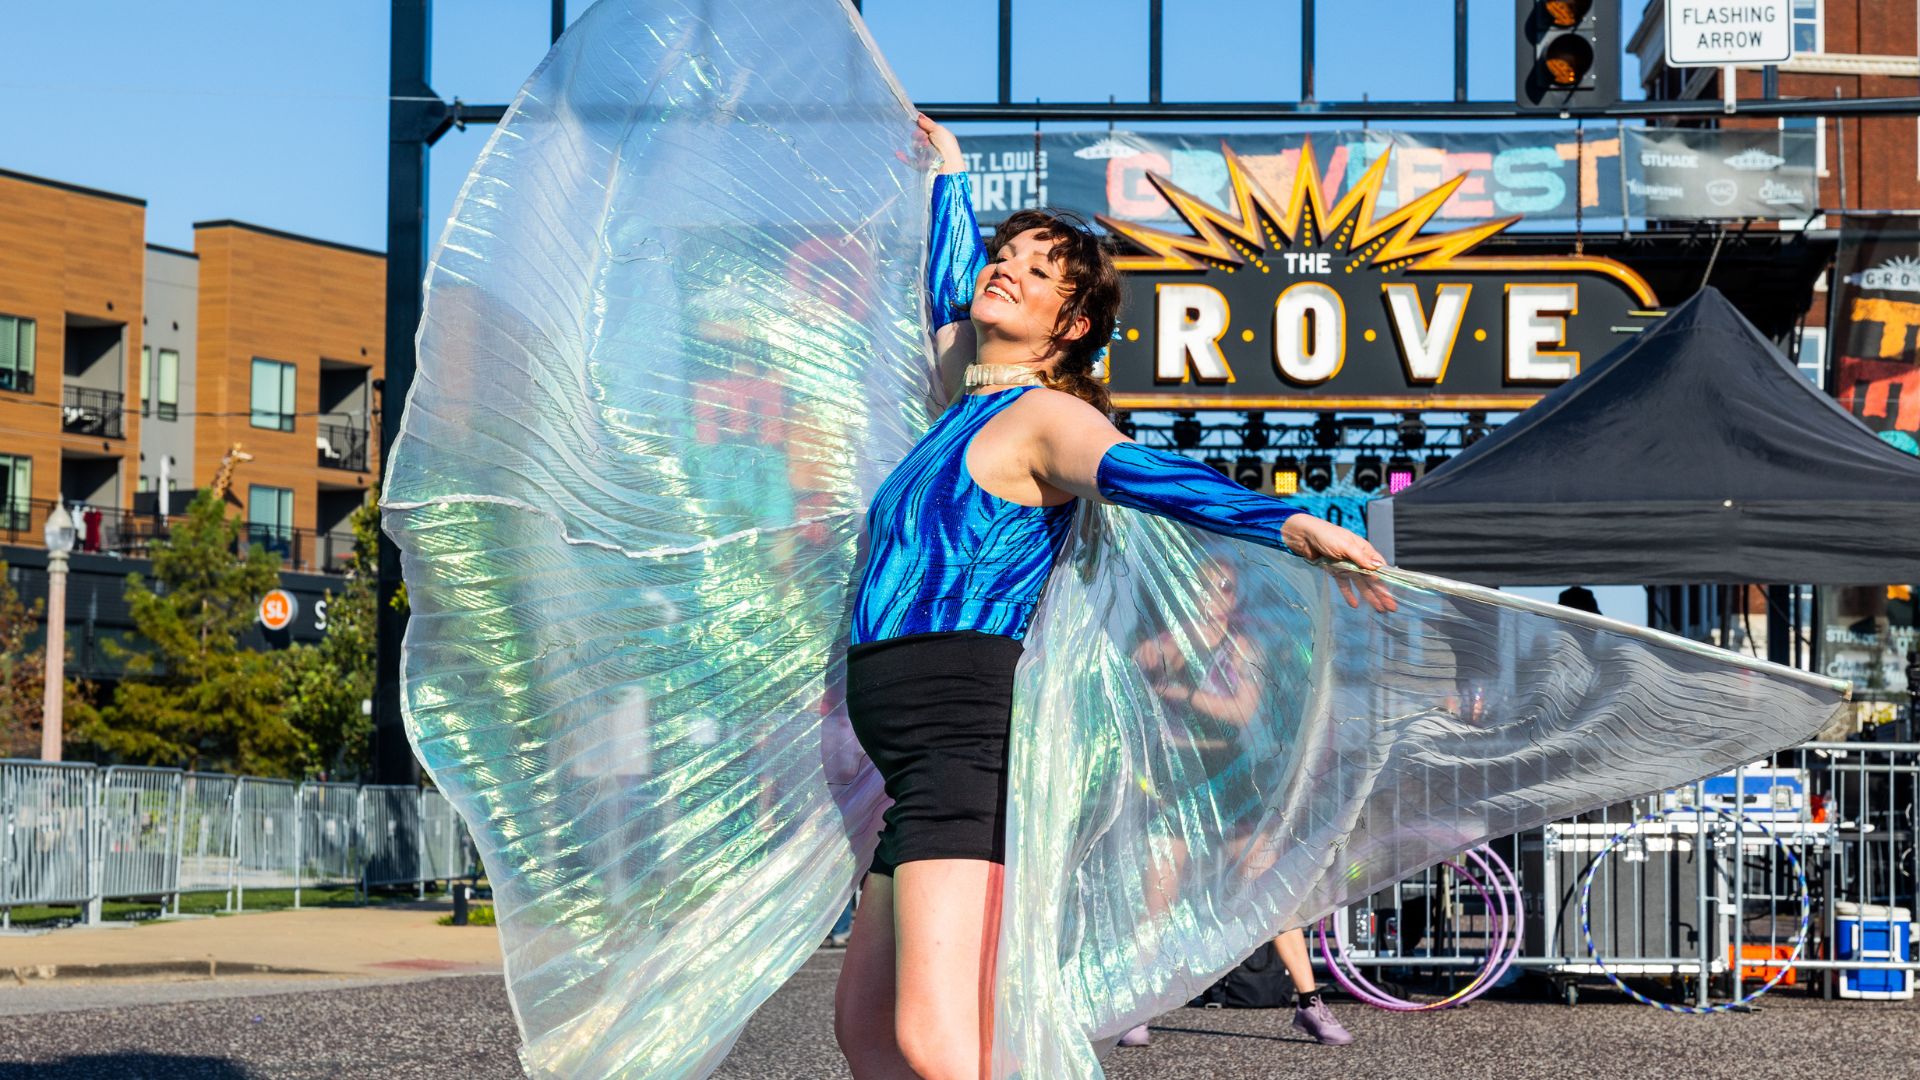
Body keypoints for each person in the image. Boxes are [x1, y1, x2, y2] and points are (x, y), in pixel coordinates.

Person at [831, 115, 1392, 1080]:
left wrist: (1289, 523)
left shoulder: (1045, 418)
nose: (1006, 270)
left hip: (965, 746)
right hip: (913, 751)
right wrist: (951, 178)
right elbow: (945, 293)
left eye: (1038, 272)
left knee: (931, 1038)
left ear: (1073, 325)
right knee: (867, 1032)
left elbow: (1148, 474)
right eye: (1005, 257)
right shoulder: (954, 401)